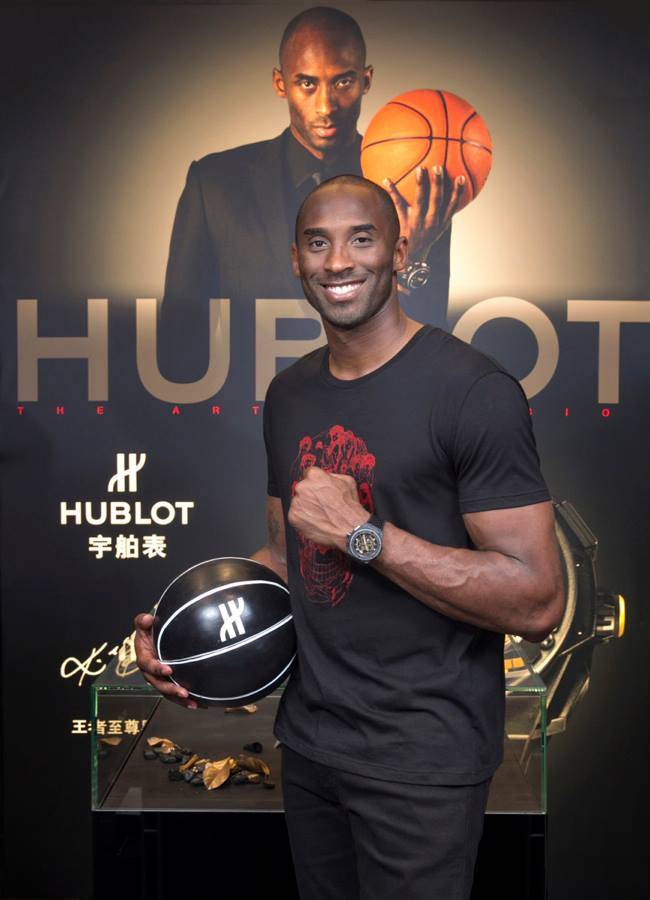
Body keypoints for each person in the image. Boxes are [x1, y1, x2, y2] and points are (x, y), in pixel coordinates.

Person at [136, 175, 565, 897]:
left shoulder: (473, 391)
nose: (338, 261)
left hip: (423, 757)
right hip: (311, 743)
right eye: (318, 243)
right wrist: (187, 635)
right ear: (296, 261)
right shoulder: (291, 394)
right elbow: (286, 556)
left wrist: (364, 534)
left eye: (361, 239)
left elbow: (537, 599)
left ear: (399, 252)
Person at [159, 6, 464, 385]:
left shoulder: (416, 189)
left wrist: (412, 254)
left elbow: (431, 338)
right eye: (307, 83)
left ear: (366, 80)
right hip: (251, 410)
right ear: (280, 83)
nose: (325, 106)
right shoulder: (214, 183)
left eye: (343, 82)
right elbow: (179, 341)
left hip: (378, 407)